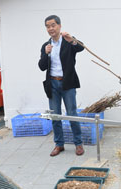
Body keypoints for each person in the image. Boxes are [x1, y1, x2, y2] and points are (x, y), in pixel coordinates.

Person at [38, 15, 85, 157]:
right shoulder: (46, 46)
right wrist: (46, 54)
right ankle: (59, 144)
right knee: (55, 115)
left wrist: (72, 40)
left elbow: (81, 48)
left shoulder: (68, 41)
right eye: (48, 26)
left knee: (72, 114)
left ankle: (78, 143)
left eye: (53, 25)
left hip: (68, 83)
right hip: (52, 83)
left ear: (59, 26)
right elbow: (41, 66)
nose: (50, 28)